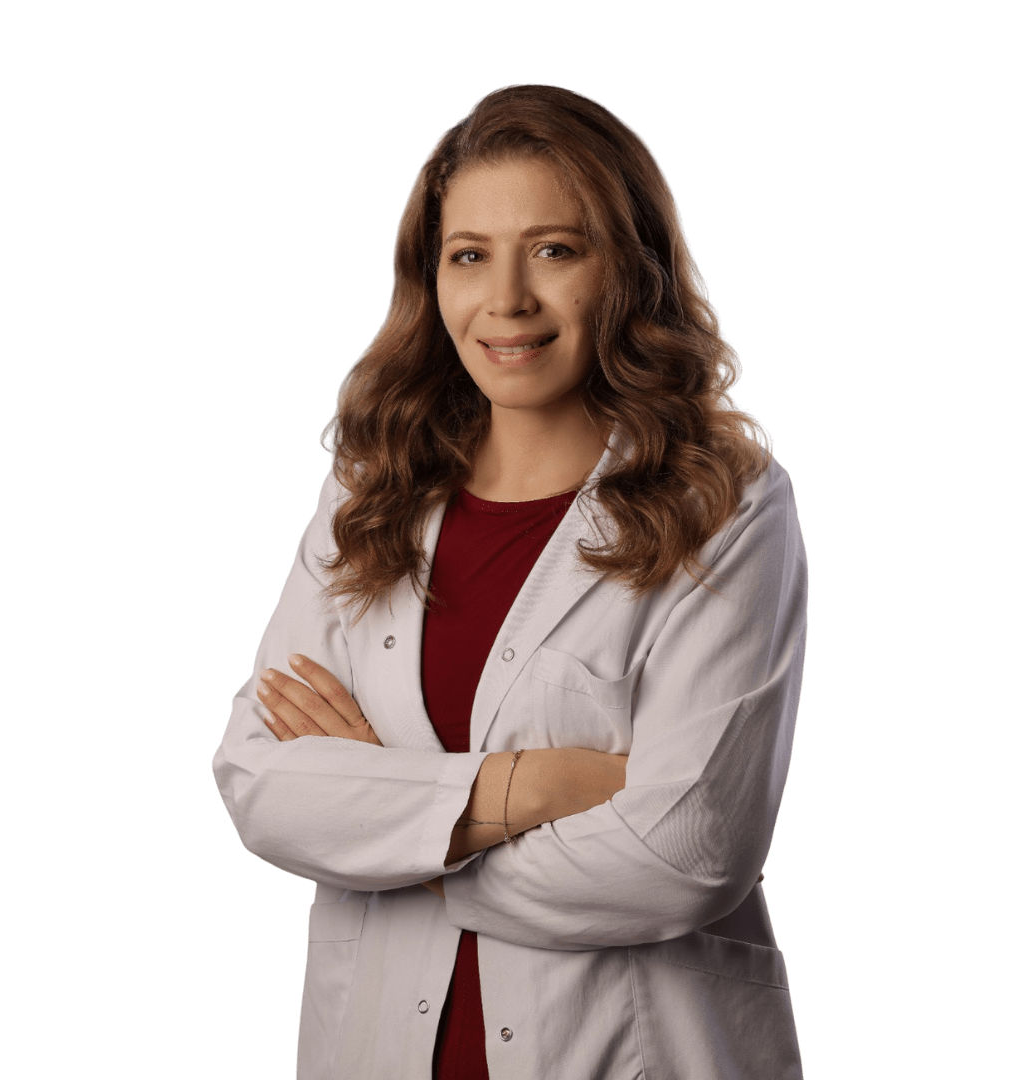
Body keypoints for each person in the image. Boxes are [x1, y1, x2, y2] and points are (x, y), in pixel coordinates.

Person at [212, 83, 809, 1080]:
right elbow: (261, 782)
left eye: (556, 250)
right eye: (469, 256)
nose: (508, 301)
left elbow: (686, 855)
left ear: (630, 269)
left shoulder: (725, 503)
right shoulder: (369, 487)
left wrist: (393, 831)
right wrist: (532, 789)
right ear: (430, 278)